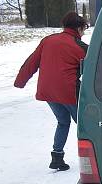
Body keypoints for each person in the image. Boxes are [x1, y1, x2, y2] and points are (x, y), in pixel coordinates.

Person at [14, 11, 88, 171]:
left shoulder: (48, 40)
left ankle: (57, 157)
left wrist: (20, 81)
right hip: (69, 93)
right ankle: (94, 159)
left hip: (48, 92)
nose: (84, 32)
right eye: (84, 28)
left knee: (63, 122)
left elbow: (31, 62)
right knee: (85, 126)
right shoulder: (81, 47)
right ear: (79, 28)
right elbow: (95, 71)